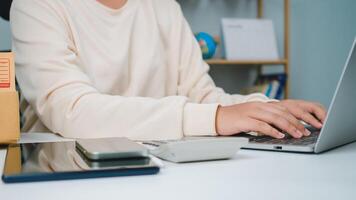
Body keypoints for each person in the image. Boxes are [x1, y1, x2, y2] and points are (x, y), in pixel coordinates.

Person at [10, 0, 326, 141]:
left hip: (164, 168)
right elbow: (71, 111)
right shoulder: (36, 5)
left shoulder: (164, 7)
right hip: (66, 177)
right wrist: (213, 118)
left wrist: (267, 110)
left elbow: (203, 96)